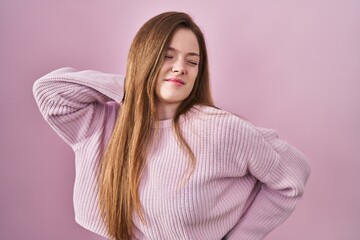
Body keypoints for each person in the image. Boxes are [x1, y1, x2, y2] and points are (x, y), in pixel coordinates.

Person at [33, 11, 311, 240]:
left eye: (192, 62)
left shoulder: (219, 129)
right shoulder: (102, 123)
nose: (181, 68)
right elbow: (49, 91)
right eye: (167, 56)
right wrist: (136, 85)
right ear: (145, 58)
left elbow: (292, 174)